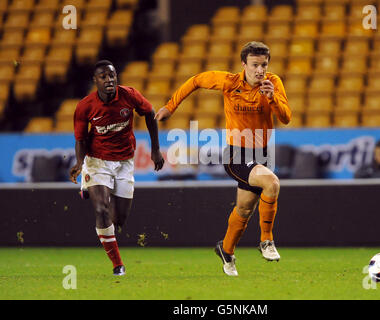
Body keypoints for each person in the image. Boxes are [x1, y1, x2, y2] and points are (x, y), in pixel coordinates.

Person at [155, 42, 291, 276]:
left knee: (245, 209)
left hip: (262, 154)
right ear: (244, 65)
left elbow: (286, 118)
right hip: (236, 153)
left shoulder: (273, 84)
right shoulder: (229, 82)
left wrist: (272, 98)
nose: (260, 70)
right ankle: (266, 241)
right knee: (272, 183)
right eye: (255, 65)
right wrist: (170, 107)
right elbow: (196, 80)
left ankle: (226, 250)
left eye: (264, 65)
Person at [69, 60, 165, 276]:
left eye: (112, 75)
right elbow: (81, 138)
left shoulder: (129, 95)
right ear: (96, 81)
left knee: (118, 219)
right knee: (101, 209)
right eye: (103, 77)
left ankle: (92, 190)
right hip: (97, 161)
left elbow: (150, 113)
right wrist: (79, 162)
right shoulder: (85, 106)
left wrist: (155, 149)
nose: (109, 79)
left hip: (124, 162)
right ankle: (117, 264)